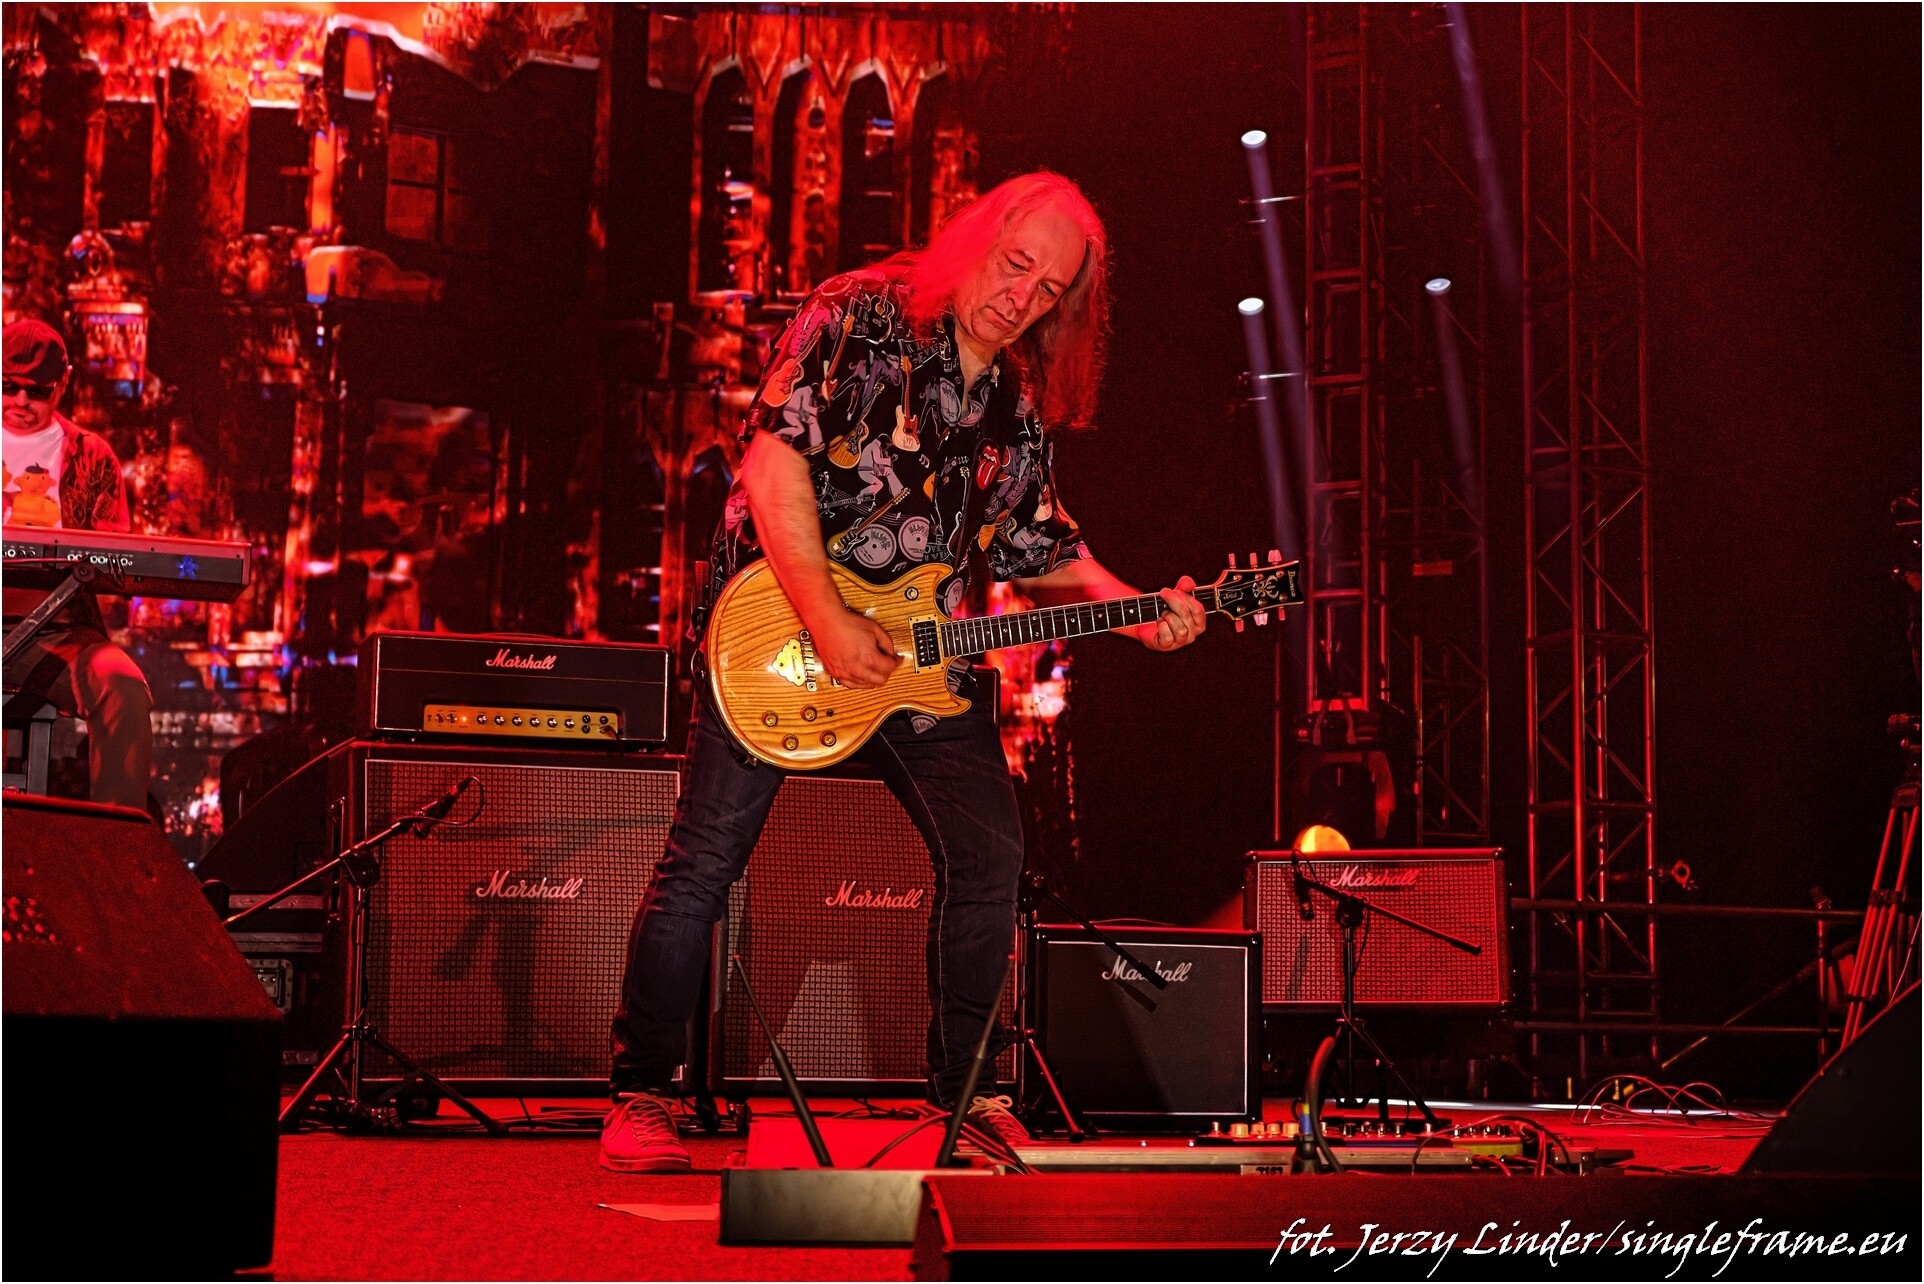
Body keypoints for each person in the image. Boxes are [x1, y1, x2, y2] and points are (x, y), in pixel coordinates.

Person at [601, 172, 1207, 1172]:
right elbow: (773, 465)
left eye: (1048, 289)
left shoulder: (1012, 398)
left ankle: (967, 1098)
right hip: (779, 628)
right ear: (976, 238)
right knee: (705, 856)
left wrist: (1140, 611)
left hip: (919, 659)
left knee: (991, 857)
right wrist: (827, 618)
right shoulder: (857, 315)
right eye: (1015, 264)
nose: (1022, 296)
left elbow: (1039, 548)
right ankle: (641, 1093)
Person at [2, 318, 155, 810]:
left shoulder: (92, 457)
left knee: (123, 688)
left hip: (56, 635)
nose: (20, 401)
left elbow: (116, 556)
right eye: (7, 386)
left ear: (63, 383)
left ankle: (115, 850)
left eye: (37, 391)